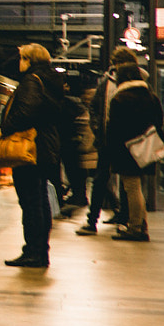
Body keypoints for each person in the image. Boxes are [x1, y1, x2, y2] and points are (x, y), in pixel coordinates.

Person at [0, 43, 68, 267]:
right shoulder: (51, 81)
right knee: (40, 200)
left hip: (31, 148)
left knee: (31, 203)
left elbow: (26, 112)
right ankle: (40, 251)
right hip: (46, 147)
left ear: (29, 60)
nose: (19, 62)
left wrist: (7, 127)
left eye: (21, 58)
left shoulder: (31, 80)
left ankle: (33, 252)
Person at [76, 46, 137, 235]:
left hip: (127, 141)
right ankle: (92, 220)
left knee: (127, 183)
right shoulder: (106, 81)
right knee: (100, 180)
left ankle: (125, 219)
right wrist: (96, 128)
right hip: (106, 139)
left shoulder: (136, 81)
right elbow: (94, 106)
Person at [101, 63, 161, 240]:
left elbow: (114, 128)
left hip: (127, 150)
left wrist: (111, 152)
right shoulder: (151, 96)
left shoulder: (120, 98)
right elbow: (159, 121)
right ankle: (141, 225)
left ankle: (136, 228)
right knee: (137, 188)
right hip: (147, 148)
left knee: (132, 188)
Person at [57, 70, 92, 217]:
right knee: (75, 171)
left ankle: (78, 196)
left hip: (68, 142)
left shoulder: (66, 103)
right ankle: (79, 195)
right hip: (73, 141)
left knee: (73, 170)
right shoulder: (74, 103)